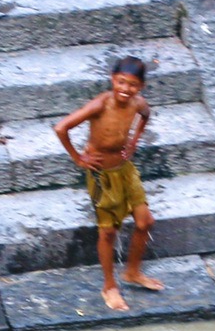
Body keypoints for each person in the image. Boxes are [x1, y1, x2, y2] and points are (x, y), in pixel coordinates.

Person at [54, 56, 164, 313]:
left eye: (133, 84)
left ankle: (133, 272)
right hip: (101, 175)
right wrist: (78, 158)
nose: (126, 89)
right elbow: (61, 128)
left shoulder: (137, 103)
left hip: (125, 170)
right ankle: (109, 286)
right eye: (121, 82)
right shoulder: (100, 104)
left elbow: (146, 114)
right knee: (108, 233)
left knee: (145, 221)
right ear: (112, 80)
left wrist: (134, 140)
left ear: (141, 87)